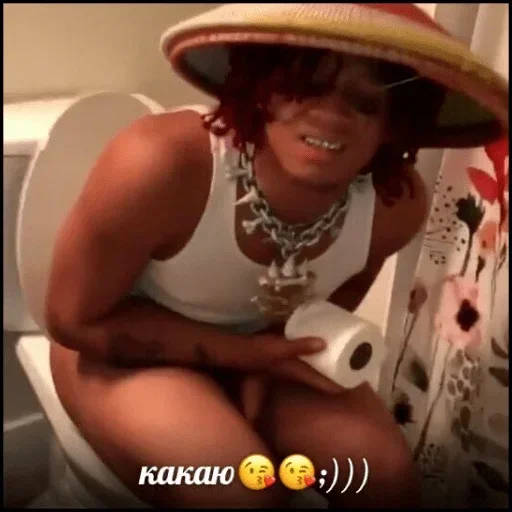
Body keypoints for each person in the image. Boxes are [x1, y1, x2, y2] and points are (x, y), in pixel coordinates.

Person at [44, 3, 507, 509]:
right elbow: (72, 319)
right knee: (239, 490)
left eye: (366, 103)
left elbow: (327, 309)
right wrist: (244, 358)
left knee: (385, 478)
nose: (331, 114)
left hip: (264, 349)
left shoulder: (395, 207)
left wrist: (263, 367)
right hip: (116, 348)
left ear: (396, 122)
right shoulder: (164, 162)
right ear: (260, 85)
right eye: (304, 85)